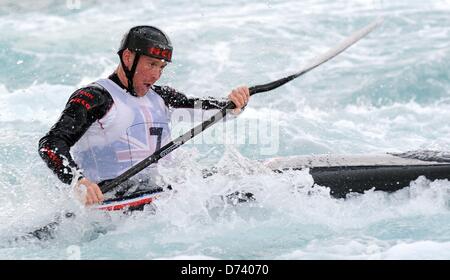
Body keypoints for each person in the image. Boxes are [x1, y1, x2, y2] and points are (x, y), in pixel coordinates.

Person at [39, 25, 250, 206]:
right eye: (151, 64)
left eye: (161, 67)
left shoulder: (162, 96)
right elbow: (51, 144)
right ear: (128, 57)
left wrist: (233, 103)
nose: (156, 74)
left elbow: (209, 109)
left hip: (163, 189)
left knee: (244, 182)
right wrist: (78, 181)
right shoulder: (95, 97)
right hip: (111, 200)